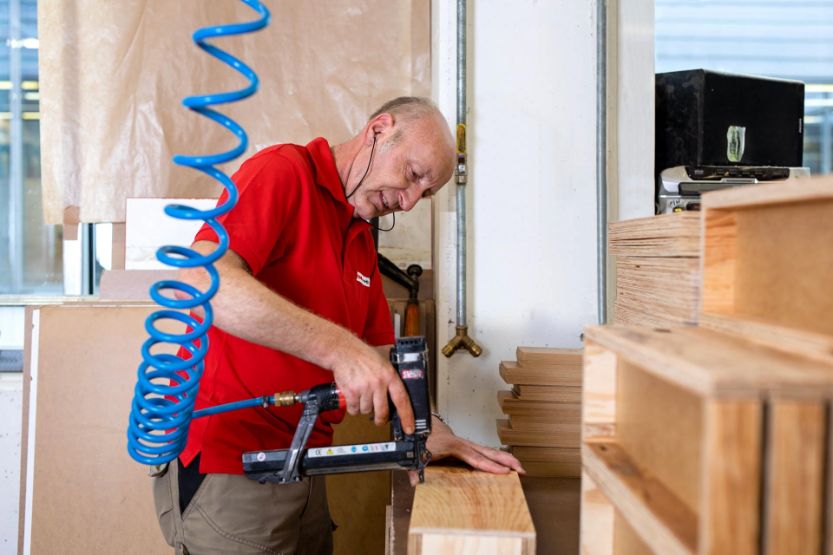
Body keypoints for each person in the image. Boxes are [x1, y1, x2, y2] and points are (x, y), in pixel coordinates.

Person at [152, 97, 523, 555]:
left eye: (424, 194)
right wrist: (341, 351)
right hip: (232, 466)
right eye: (412, 174)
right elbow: (202, 281)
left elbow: (382, 355)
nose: (408, 202)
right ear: (379, 130)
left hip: (303, 463)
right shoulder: (284, 172)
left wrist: (430, 429)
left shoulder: (358, 234)